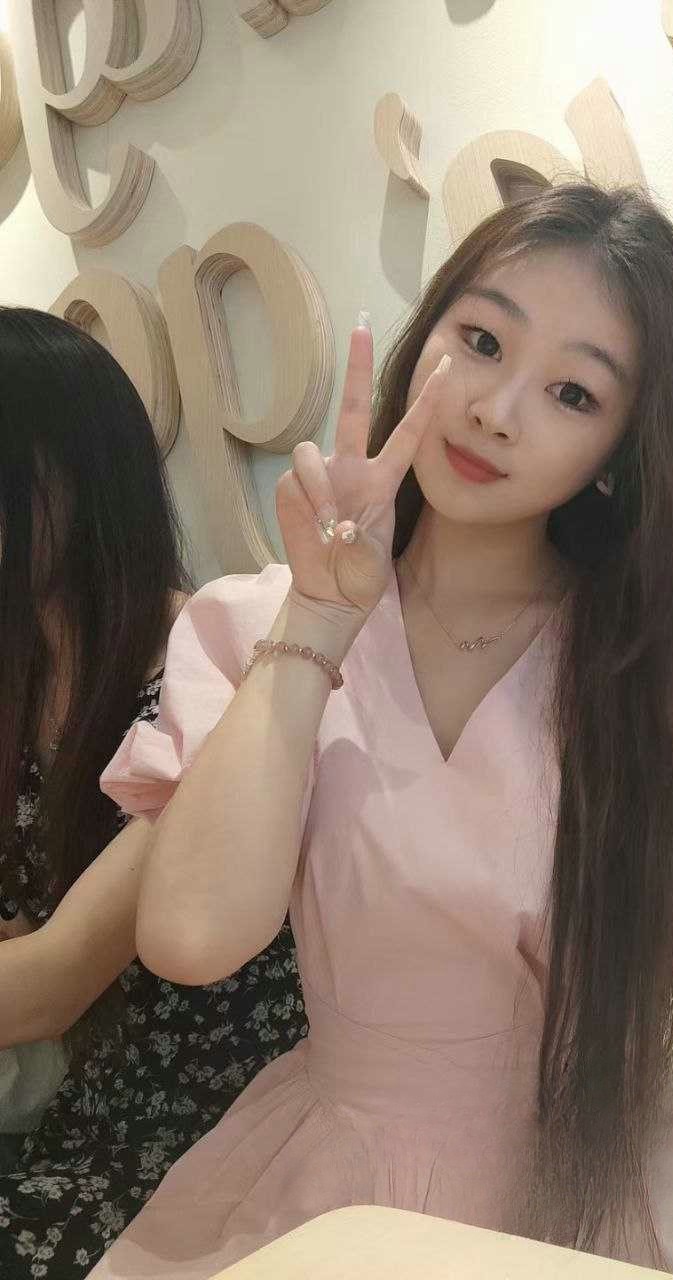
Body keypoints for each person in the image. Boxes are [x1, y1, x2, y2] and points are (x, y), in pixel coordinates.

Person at [90, 183, 673, 1280]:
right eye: (482, 340)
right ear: (425, 340)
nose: (496, 409)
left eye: (572, 392)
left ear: (619, 448)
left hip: (601, 1204)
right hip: (331, 1193)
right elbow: (191, 937)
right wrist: (319, 617)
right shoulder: (256, 625)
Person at [0, 308, 306, 1278]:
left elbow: (53, 979)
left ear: (78, 479)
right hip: (80, 1121)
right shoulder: (24, 682)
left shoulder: (212, 669)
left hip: (214, 1141)